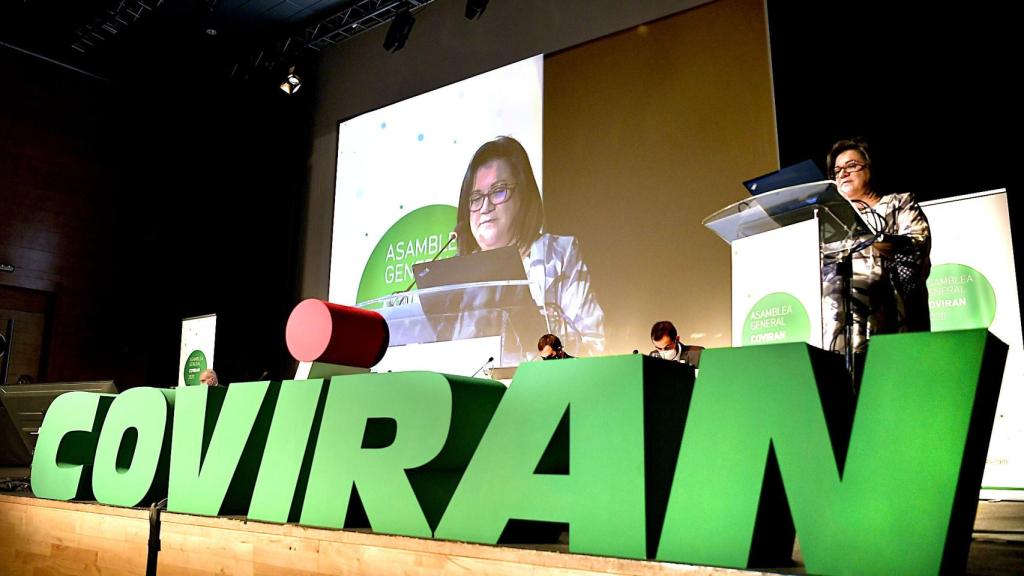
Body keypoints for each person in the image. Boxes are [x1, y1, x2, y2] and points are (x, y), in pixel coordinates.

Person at [454, 136, 605, 356]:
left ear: (523, 196)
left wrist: (534, 329)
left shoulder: (559, 254)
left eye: (498, 191)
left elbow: (594, 345)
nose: (485, 207)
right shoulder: (459, 275)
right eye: (476, 197)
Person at [822, 138, 931, 354]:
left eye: (851, 166)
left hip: (887, 324)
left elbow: (917, 247)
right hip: (837, 328)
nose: (843, 173)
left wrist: (874, 239)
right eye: (837, 170)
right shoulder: (827, 220)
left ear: (870, 168)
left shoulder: (899, 203)